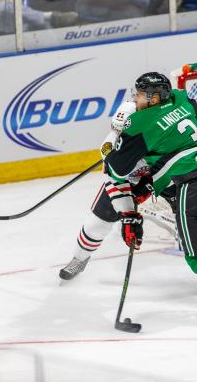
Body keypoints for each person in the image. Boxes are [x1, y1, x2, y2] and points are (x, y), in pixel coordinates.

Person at [103, 72, 197, 285]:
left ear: (153, 99)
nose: (135, 99)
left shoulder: (140, 124)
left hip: (194, 188)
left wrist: (116, 136)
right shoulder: (181, 98)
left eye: (140, 95)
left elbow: (116, 168)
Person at [58, 99, 140, 280]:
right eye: (117, 130)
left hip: (162, 178)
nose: (119, 134)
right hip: (128, 182)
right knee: (97, 224)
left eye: (123, 130)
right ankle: (79, 259)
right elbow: (113, 180)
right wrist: (127, 215)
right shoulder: (109, 146)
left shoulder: (154, 127)